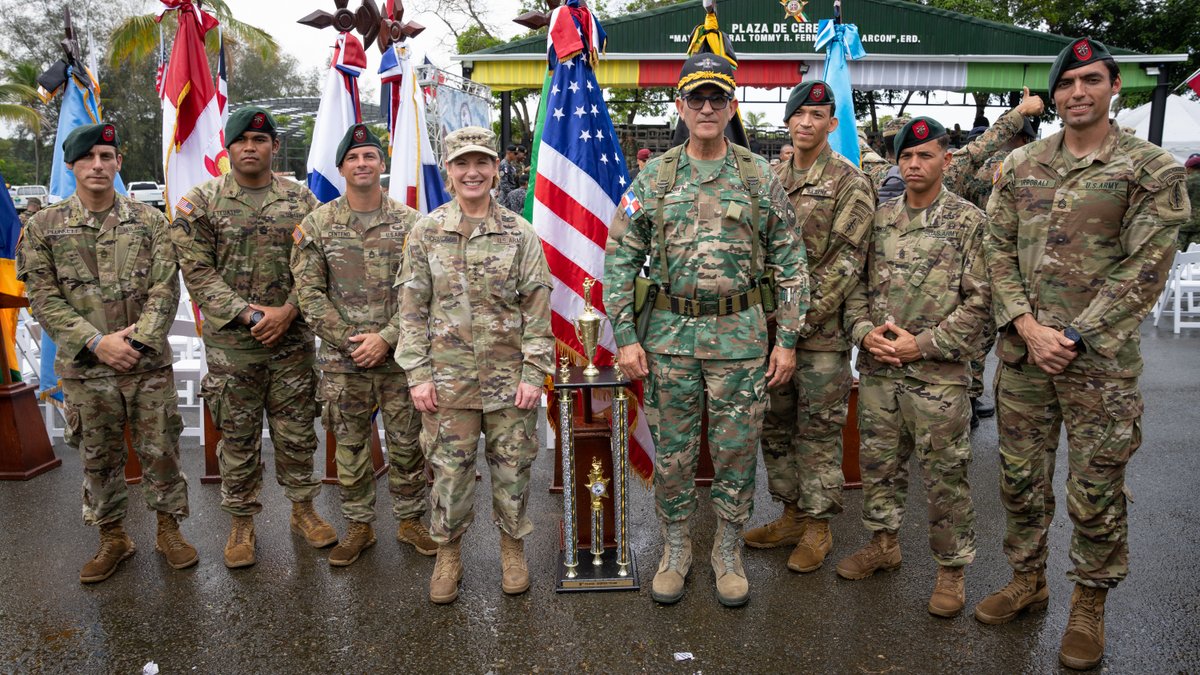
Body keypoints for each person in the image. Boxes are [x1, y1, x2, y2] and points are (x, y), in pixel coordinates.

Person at [977, 38, 1191, 670]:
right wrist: (1025, 324)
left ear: (1114, 85)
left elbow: (1148, 265)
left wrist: (1072, 336)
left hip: (1098, 366)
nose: (1077, 92)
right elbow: (996, 250)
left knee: (1096, 486)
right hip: (1023, 358)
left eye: (1090, 79)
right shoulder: (1020, 165)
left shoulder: (1150, 169)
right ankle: (1027, 579)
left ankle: (1089, 602)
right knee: (1020, 481)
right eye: (1067, 82)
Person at [605, 53, 809, 607]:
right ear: (680, 106)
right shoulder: (657, 175)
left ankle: (726, 547)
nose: (707, 108)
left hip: (740, 341)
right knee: (673, 451)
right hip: (669, 339)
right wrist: (625, 336)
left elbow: (792, 261)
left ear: (732, 105)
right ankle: (676, 547)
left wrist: (787, 338)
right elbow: (620, 257)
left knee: (737, 450)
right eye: (696, 98)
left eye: (718, 97)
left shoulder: (756, 175)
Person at [18, 123, 196, 583]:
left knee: (161, 451)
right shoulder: (43, 227)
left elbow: (164, 287)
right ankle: (113, 536)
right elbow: (43, 297)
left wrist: (135, 344)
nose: (98, 165)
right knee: (99, 456)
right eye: (89, 157)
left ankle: (167, 530)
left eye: (107, 156)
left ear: (118, 163)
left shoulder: (150, 220)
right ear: (72, 165)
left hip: (146, 365)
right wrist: (98, 342)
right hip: (85, 368)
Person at [837, 117, 991, 619]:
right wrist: (864, 333)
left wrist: (921, 345)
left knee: (945, 475)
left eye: (925, 155)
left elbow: (981, 305)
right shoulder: (880, 220)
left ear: (948, 160)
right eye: (906, 156)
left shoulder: (969, 223)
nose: (914, 164)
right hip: (881, 370)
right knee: (879, 465)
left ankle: (951, 569)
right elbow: (854, 288)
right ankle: (884, 544)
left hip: (938, 376)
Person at [170, 106, 336, 569]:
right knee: (238, 436)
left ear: (274, 147)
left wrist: (288, 311)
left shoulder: (301, 202)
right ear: (228, 148)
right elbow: (197, 271)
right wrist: (247, 315)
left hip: (292, 341)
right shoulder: (200, 203)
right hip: (233, 347)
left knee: (298, 432)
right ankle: (241, 522)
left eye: (259, 140)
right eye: (241, 140)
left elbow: (320, 265)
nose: (250, 147)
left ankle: (303, 510)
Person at [396, 126, 554, 604]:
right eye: (462, 164)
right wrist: (418, 375)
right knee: (449, 471)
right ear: (448, 171)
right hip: (447, 383)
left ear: (494, 169)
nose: (473, 172)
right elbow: (411, 310)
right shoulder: (426, 232)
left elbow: (536, 310)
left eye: (482, 162)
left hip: (509, 384)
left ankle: (512, 548)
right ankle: (448, 553)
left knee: (513, 470)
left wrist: (534, 373)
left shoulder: (519, 233)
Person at [289, 124, 436, 567]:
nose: (362, 164)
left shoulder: (412, 223)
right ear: (341, 168)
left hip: (399, 359)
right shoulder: (317, 224)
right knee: (350, 448)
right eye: (353, 158)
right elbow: (308, 292)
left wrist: (386, 338)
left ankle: (411, 521)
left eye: (369, 156)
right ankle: (359, 525)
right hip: (343, 361)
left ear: (382, 164)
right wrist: (352, 342)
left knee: (408, 443)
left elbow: (422, 290)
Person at [746, 80, 874, 575]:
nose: (806, 122)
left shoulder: (849, 182)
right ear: (788, 120)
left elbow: (845, 265)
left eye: (817, 115)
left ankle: (820, 526)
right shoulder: (771, 177)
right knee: (774, 425)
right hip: (770, 331)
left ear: (831, 124)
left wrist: (791, 329)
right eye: (800, 114)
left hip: (818, 336)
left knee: (818, 431)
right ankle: (792, 514)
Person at [1183, 153, 1200, 249]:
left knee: (1177, 248)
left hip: (1187, 219)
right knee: (1195, 249)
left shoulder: (1186, 181)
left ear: (1190, 168)